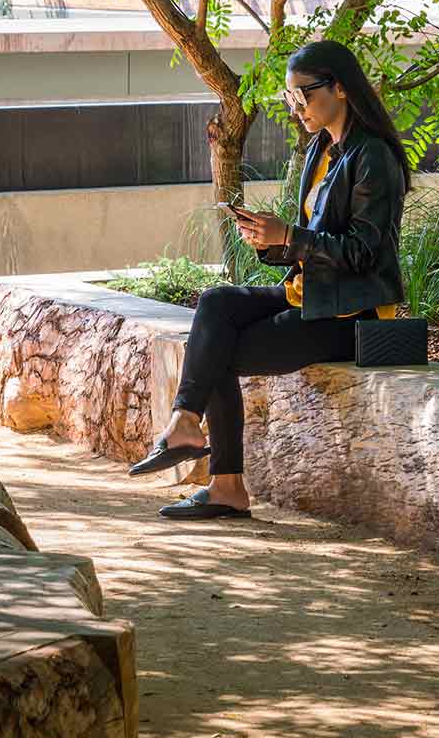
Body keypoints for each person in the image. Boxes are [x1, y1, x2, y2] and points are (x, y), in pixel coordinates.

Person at [128, 38, 410, 519]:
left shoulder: (373, 156)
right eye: (289, 98)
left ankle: (223, 481)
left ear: (339, 88)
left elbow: (365, 254)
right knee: (216, 303)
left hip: (352, 314)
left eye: (303, 94)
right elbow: (315, 243)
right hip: (312, 295)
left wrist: (292, 236)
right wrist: (272, 242)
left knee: (216, 350)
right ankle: (188, 427)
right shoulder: (323, 150)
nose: (295, 106)